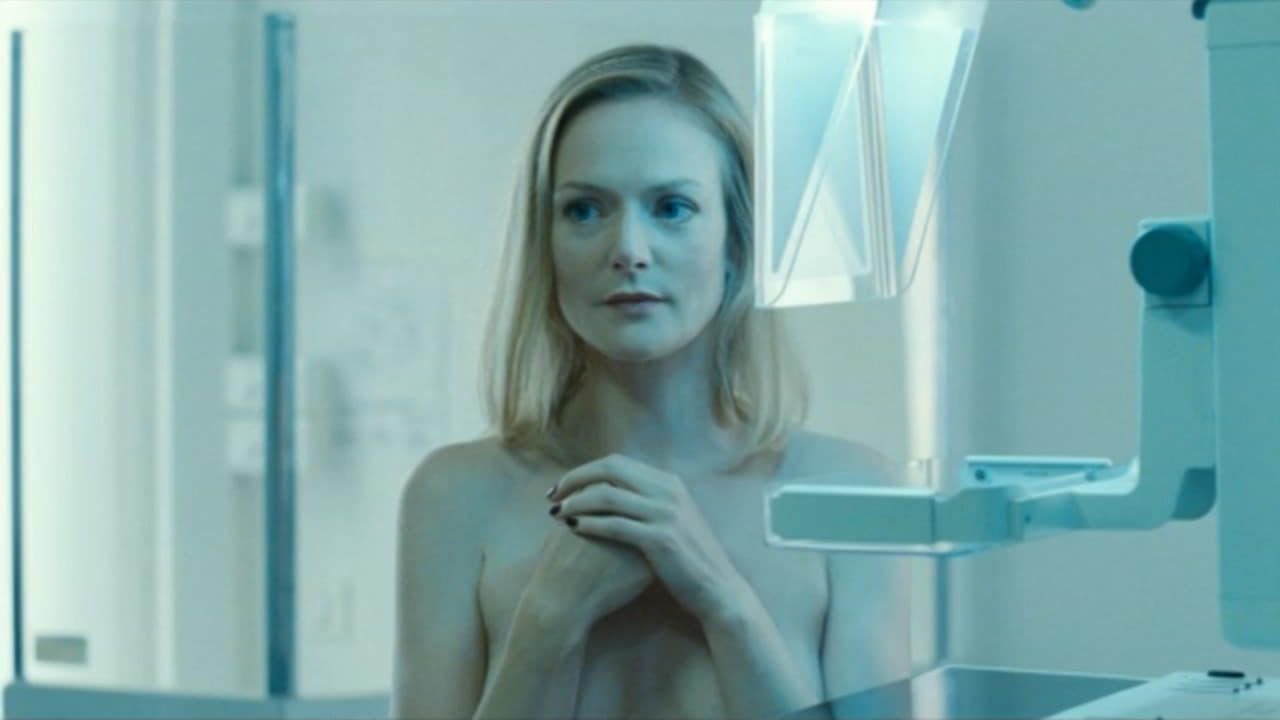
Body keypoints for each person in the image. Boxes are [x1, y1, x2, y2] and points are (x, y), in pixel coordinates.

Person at [392, 44, 910, 720]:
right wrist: (548, 620)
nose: (629, 250)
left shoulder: (851, 491)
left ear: (735, 243)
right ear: (544, 245)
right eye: (585, 210)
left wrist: (720, 596)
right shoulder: (454, 495)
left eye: (671, 207)